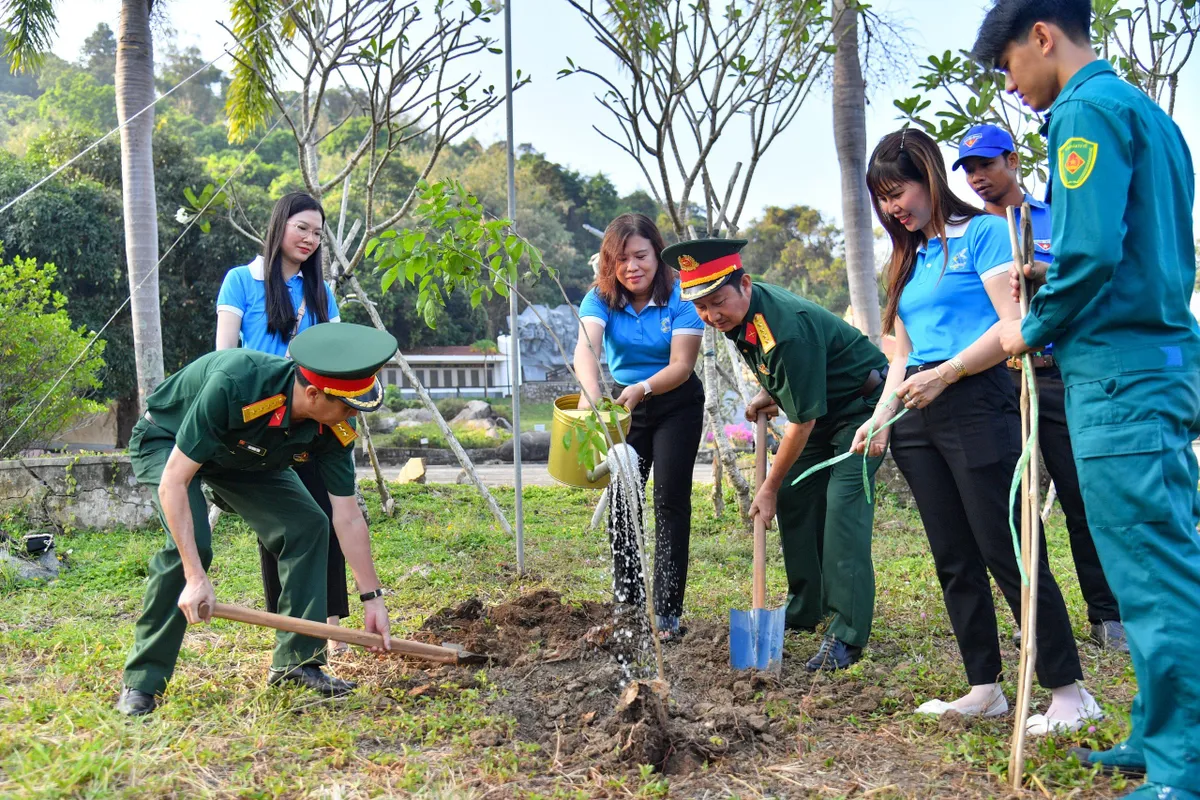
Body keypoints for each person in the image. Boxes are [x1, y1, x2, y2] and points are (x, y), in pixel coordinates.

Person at [976, 0, 1200, 790]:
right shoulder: (1149, 114)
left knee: (1155, 571)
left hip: (1119, 374)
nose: (1014, 87)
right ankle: (1154, 732)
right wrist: (1056, 275)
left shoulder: (1084, 113)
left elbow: (1096, 254)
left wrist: (1029, 326)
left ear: (1042, 37)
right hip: (1156, 360)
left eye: (1008, 67)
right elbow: (1132, 245)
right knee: (1141, 567)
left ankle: (1184, 765)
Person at [855, 126, 1099, 732]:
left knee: (1007, 548)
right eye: (882, 198)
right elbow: (900, 355)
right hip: (918, 410)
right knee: (954, 556)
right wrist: (880, 417)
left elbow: (1012, 326)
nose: (893, 207)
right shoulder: (906, 259)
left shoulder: (984, 233)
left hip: (976, 398)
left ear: (928, 177)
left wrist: (950, 372)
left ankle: (1069, 692)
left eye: (898, 191)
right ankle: (984, 685)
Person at [115, 323, 395, 717]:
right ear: (313, 394)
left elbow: (346, 516)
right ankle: (142, 682)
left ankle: (297, 664)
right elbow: (175, 481)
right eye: (348, 407)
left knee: (307, 524)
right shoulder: (238, 383)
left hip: (247, 454)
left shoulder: (333, 426)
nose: (352, 416)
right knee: (191, 546)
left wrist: (373, 599)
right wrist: (197, 577)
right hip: (169, 441)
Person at [677, 237, 887, 671]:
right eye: (701, 308)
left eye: (718, 302)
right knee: (795, 493)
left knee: (842, 508)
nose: (711, 316)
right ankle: (805, 607)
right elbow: (786, 374)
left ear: (745, 285)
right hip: (823, 405)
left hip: (861, 410)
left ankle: (846, 634)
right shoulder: (743, 317)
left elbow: (801, 420)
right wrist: (771, 391)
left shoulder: (785, 328)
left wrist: (766, 486)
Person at [954, 123, 1126, 651]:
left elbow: (1097, 281)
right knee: (1010, 505)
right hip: (995, 383)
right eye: (970, 170)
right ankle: (1029, 614)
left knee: (1081, 496)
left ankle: (1107, 615)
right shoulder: (969, 238)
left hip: (1056, 375)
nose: (978, 177)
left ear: (1012, 160)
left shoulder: (1058, 218)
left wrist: (1044, 272)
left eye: (986, 164)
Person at [215, 192, 350, 653]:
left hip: (312, 418)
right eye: (302, 228)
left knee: (326, 517)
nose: (311, 239)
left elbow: (335, 355)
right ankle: (288, 624)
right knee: (281, 529)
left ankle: (331, 624)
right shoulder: (241, 281)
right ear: (280, 227)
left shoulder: (320, 291)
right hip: (262, 424)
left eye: (318, 232)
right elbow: (224, 356)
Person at [573, 213, 705, 641]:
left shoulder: (684, 295)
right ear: (609, 264)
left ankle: (667, 613)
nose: (632, 267)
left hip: (675, 401)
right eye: (621, 259)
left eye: (641, 256)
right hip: (624, 406)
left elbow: (683, 365)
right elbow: (587, 348)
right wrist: (593, 393)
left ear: (658, 254)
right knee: (623, 499)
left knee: (669, 500)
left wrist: (644, 387)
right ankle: (628, 604)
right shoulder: (600, 298)